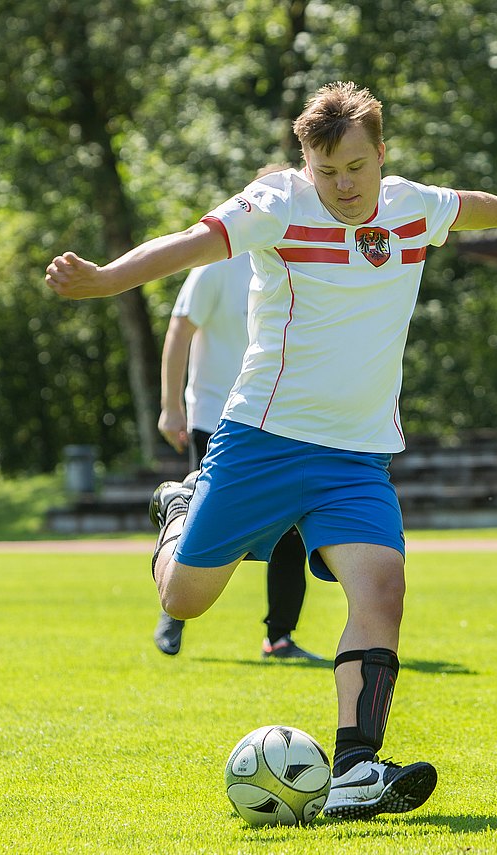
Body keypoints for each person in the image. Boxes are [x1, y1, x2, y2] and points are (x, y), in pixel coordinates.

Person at [46, 80, 497, 819]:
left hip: (356, 455)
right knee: (183, 598)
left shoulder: (412, 205)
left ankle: (355, 767)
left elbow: (469, 204)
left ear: (381, 154)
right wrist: (103, 280)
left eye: (356, 167)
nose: (343, 185)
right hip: (264, 440)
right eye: (327, 171)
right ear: (304, 162)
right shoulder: (278, 205)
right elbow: (187, 246)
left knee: (382, 589)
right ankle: (180, 508)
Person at [152, 166, 322, 662]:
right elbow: (179, 331)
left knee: (294, 529)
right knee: (210, 527)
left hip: (284, 419)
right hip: (218, 415)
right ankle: (175, 605)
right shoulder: (216, 263)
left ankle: (281, 637)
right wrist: (170, 407)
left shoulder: (307, 258)